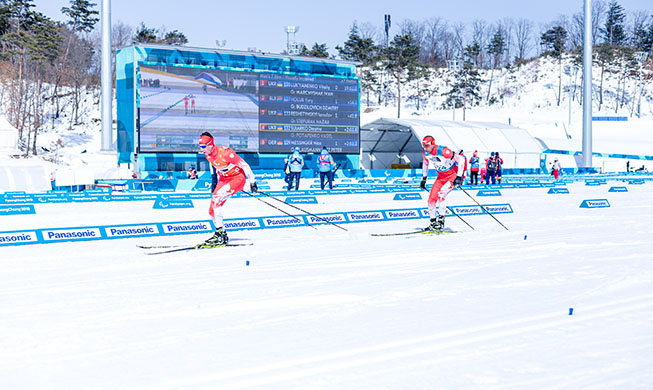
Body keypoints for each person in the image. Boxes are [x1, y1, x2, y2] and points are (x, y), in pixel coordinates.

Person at [198, 132, 258, 247]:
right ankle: (222, 234)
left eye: (204, 147)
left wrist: (252, 182)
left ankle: (219, 233)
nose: (202, 150)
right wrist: (214, 179)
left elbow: (244, 165)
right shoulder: (207, 155)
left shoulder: (225, 153)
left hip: (237, 178)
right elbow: (215, 166)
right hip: (224, 179)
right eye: (200, 147)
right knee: (211, 210)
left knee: (217, 198)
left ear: (211, 144)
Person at [419, 135, 465, 231]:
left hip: (452, 175)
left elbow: (461, 159)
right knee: (431, 200)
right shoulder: (425, 153)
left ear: (432, 144)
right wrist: (424, 179)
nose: (424, 147)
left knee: (441, 194)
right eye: (423, 145)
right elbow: (425, 163)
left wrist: (459, 177)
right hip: (441, 177)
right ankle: (433, 223)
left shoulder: (443, 150)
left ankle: (441, 221)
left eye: (426, 145)